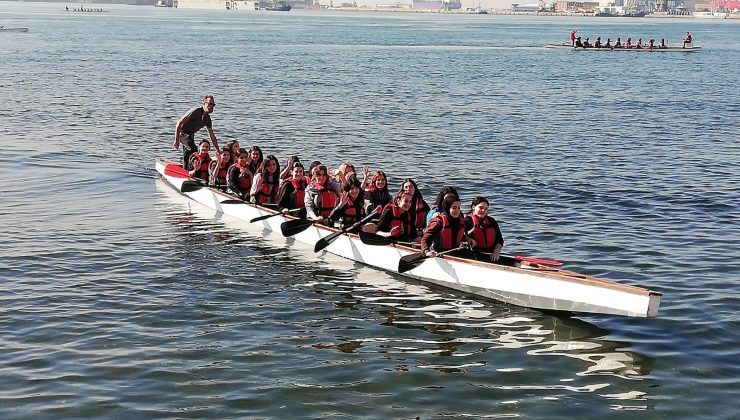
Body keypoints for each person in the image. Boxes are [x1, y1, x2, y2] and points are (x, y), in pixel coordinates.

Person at [173, 95, 218, 169]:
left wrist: (218, 149)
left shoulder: (207, 119)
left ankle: (186, 169)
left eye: (213, 105)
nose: (211, 106)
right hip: (182, 133)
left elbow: (212, 135)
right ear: (204, 104)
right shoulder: (196, 111)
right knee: (194, 149)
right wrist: (176, 140)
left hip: (190, 135)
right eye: (210, 104)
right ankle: (194, 169)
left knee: (187, 154)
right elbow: (179, 123)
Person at [464, 197, 504, 262]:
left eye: (486, 209)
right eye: (481, 207)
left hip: (491, 255)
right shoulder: (466, 222)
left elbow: (500, 240)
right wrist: (467, 239)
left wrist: (496, 251)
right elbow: (459, 238)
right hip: (474, 256)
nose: (483, 211)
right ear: (473, 207)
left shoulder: (492, 221)